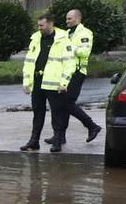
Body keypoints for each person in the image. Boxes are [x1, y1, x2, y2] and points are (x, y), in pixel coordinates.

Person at [20, 16, 79, 152]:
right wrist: (26, 82)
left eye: (42, 25)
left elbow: (69, 63)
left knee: (57, 114)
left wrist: (64, 83)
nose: (39, 28)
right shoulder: (36, 38)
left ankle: (57, 141)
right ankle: (34, 141)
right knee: (37, 113)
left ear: (51, 24)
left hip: (54, 84)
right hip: (38, 82)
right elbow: (29, 62)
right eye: (39, 25)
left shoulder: (63, 39)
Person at [59, 8, 102, 143]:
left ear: (77, 19)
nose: (67, 21)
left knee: (67, 102)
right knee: (63, 103)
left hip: (77, 72)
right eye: (66, 19)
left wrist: (69, 48)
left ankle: (92, 126)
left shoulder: (85, 33)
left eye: (69, 19)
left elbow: (84, 52)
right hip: (67, 72)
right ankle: (60, 136)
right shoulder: (67, 33)